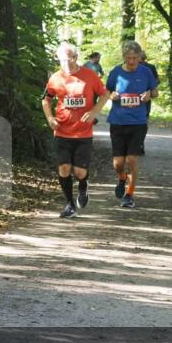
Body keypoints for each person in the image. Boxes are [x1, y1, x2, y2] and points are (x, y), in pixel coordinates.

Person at [42, 43, 109, 218]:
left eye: (69, 59)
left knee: (79, 172)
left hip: (83, 132)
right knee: (64, 168)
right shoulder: (55, 78)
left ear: (76, 57)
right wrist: (50, 118)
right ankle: (69, 205)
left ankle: (83, 187)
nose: (66, 63)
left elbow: (105, 94)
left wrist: (94, 111)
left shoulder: (90, 75)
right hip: (62, 131)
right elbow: (46, 100)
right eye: (62, 60)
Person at [103, 40, 158, 209]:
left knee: (132, 158)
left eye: (135, 58)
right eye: (128, 58)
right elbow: (106, 91)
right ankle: (122, 178)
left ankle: (130, 194)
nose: (132, 61)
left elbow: (155, 91)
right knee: (118, 163)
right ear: (124, 57)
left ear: (140, 57)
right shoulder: (116, 72)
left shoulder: (146, 72)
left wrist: (149, 94)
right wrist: (111, 96)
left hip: (138, 122)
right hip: (118, 121)